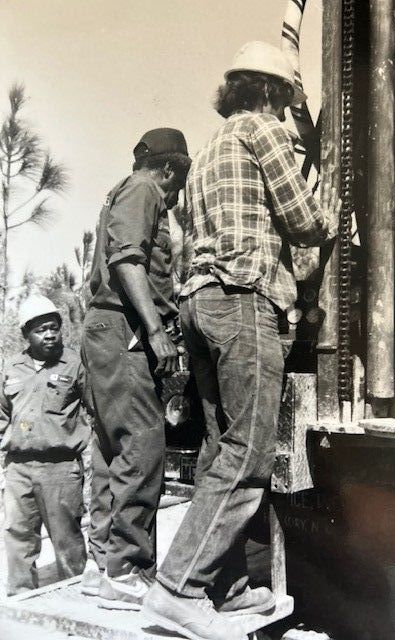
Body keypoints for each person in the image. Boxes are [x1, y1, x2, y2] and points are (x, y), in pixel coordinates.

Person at [142, 41, 340, 640]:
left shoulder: (206, 150)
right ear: (273, 92)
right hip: (244, 301)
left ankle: (223, 588)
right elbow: (305, 220)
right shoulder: (263, 132)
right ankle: (177, 589)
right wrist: (331, 206)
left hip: (200, 303)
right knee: (249, 452)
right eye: (286, 98)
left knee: (217, 451)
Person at [80, 128, 191, 610]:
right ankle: (126, 572)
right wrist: (155, 329)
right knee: (144, 446)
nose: (176, 195)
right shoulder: (145, 189)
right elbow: (128, 261)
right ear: (170, 170)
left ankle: (102, 565)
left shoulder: (122, 192)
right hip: (124, 328)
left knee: (111, 447)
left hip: (105, 329)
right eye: (178, 184)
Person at [0, 295, 89, 595]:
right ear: (26, 335)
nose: (49, 334)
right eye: (40, 330)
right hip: (18, 469)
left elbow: (95, 410)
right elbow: (1, 415)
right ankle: (22, 600)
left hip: (60, 470)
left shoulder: (76, 363)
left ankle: (74, 599)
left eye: (54, 327)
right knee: (18, 537)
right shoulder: (12, 368)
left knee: (67, 540)